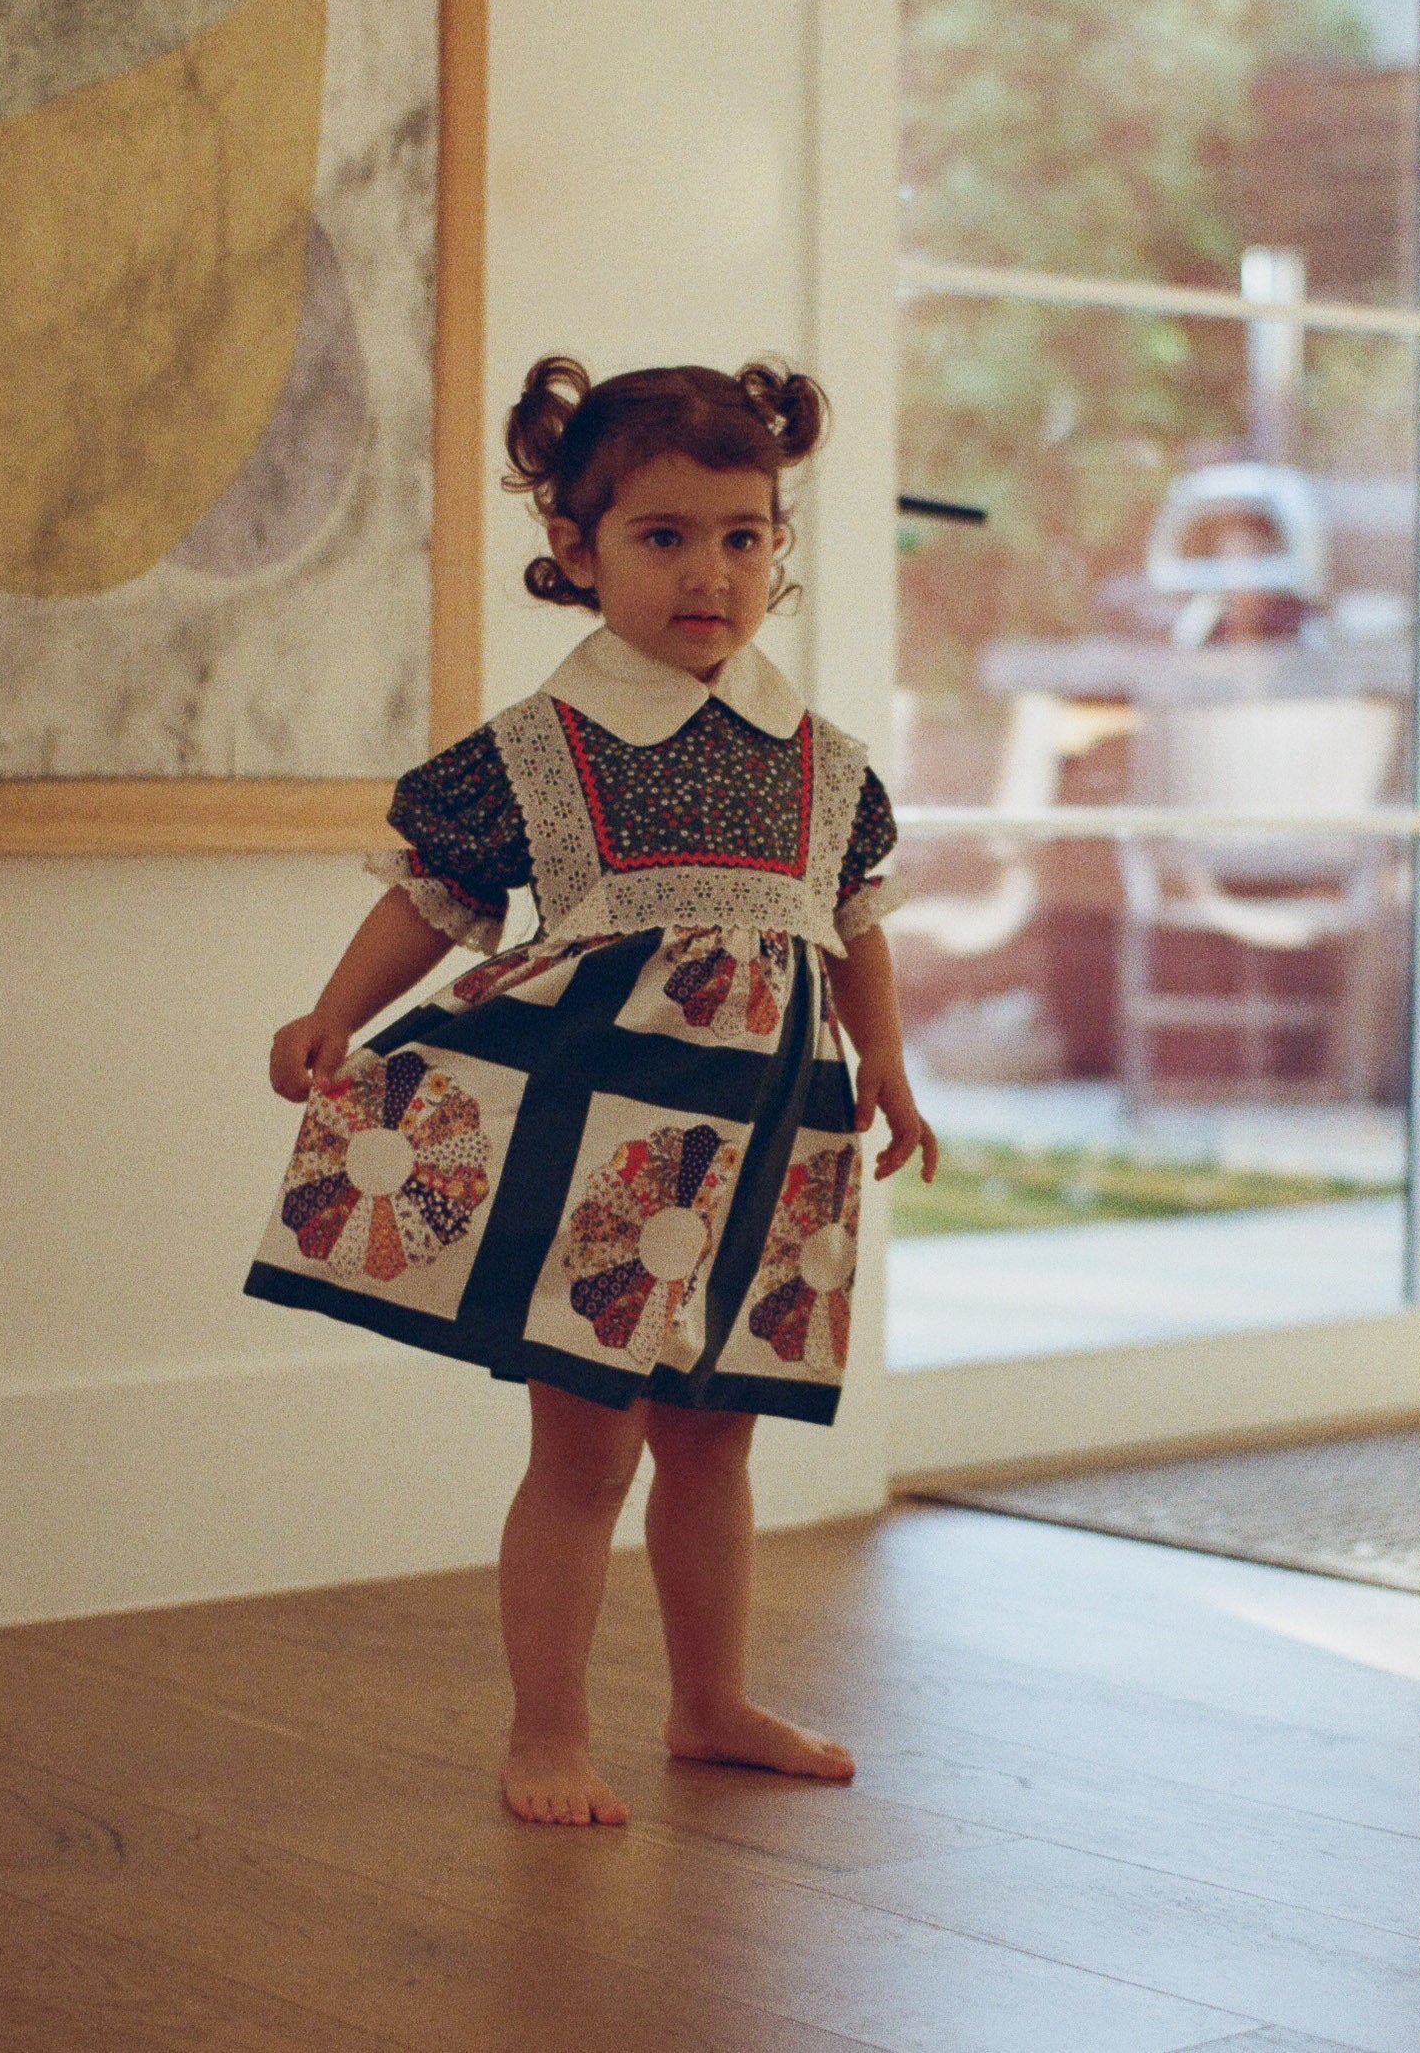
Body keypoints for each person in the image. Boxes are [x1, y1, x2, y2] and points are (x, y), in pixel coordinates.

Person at [246, 355, 937, 1828]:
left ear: (778, 545)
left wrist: (884, 1059)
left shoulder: (824, 765)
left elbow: (853, 920)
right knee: (587, 1446)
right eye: (663, 536)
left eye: (742, 536)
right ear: (576, 549)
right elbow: (435, 896)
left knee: (717, 1436)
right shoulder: (541, 749)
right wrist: (335, 1012)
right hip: (599, 1155)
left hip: (768, 1144)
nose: (710, 573)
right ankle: (547, 1730)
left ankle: (709, 1701)